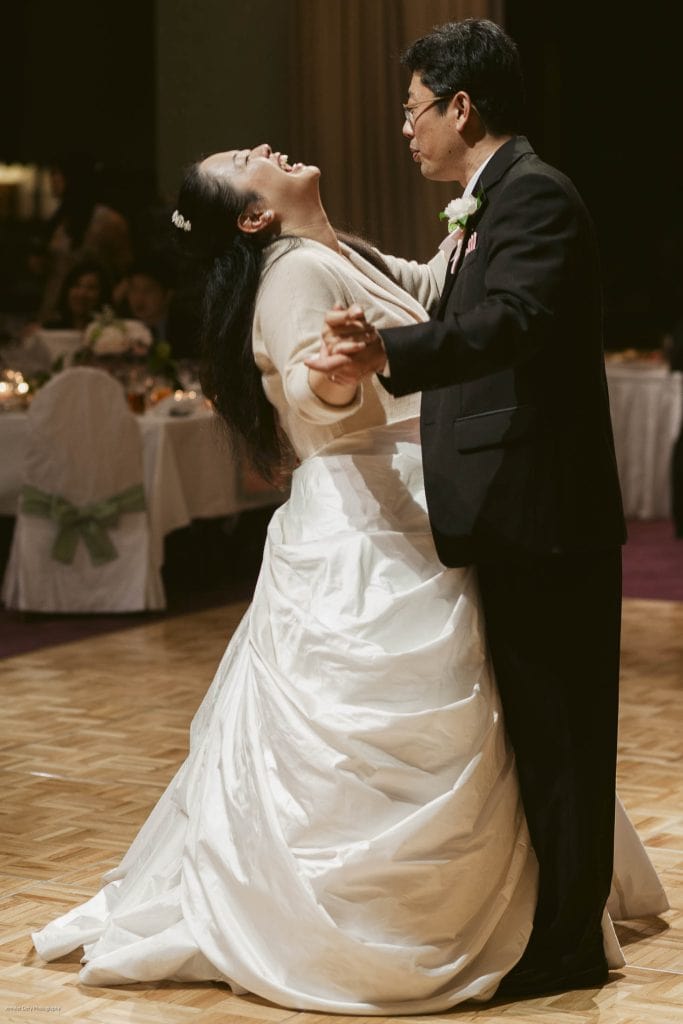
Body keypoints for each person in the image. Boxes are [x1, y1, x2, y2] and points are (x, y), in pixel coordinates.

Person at [30, 144, 665, 1013]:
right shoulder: (292, 272)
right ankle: (382, 926)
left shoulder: (337, 249)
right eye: (249, 159)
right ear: (254, 217)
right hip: (367, 526)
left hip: (411, 506)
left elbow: (433, 295)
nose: (268, 147)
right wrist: (326, 384)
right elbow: (306, 378)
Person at [311, 18, 628, 999]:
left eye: (412, 111)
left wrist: (389, 357)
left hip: (546, 508)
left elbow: (511, 323)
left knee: (565, 736)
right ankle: (562, 927)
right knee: (541, 734)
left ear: (461, 105)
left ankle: (570, 943)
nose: (404, 130)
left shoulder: (532, 197)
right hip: (514, 505)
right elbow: (452, 301)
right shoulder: (481, 205)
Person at [36, 152, 132, 324]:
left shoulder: (107, 220)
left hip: (95, 311)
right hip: (56, 309)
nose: (52, 180)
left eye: (57, 174)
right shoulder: (58, 220)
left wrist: (112, 301)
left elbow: (127, 270)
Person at [42, 258, 110, 331]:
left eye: (91, 288)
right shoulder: (51, 330)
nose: (82, 294)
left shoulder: (111, 331)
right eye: (76, 286)